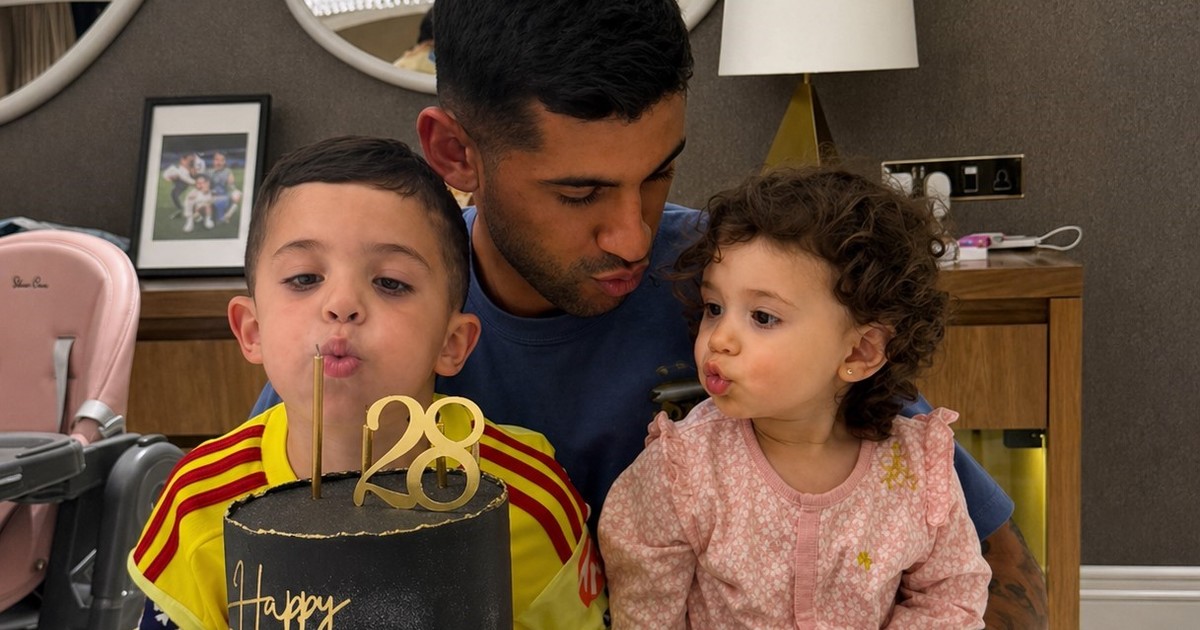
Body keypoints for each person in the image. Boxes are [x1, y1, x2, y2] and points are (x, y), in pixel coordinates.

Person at [257, 0, 1049, 624]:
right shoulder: (360, 327)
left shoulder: (740, 280)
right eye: (580, 193)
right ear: (455, 153)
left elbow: (989, 556)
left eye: (660, 174)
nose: (634, 238)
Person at [128, 136, 606, 630]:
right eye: (304, 278)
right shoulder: (196, 504)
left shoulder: (527, 498)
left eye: (391, 282)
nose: (342, 304)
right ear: (252, 331)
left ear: (452, 343)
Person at [598, 167, 991, 628]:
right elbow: (647, 616)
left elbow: (952, 598)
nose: (719, 339)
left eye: (763, 317)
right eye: (714, 308)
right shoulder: (681, 471)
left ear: (860, 352)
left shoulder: (918, 470)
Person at [206, 151, 242, 224]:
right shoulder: (209, 172)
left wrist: (231, 185)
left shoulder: (227, 171)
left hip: (224, 194)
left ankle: (227, 215)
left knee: (237, 193)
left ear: (225, 162)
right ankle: (208, 216)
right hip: (212, 194)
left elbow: (231, 185)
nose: (219, 162)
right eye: (217, 160)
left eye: (222, 160)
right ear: (213, 161)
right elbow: (206, 187)